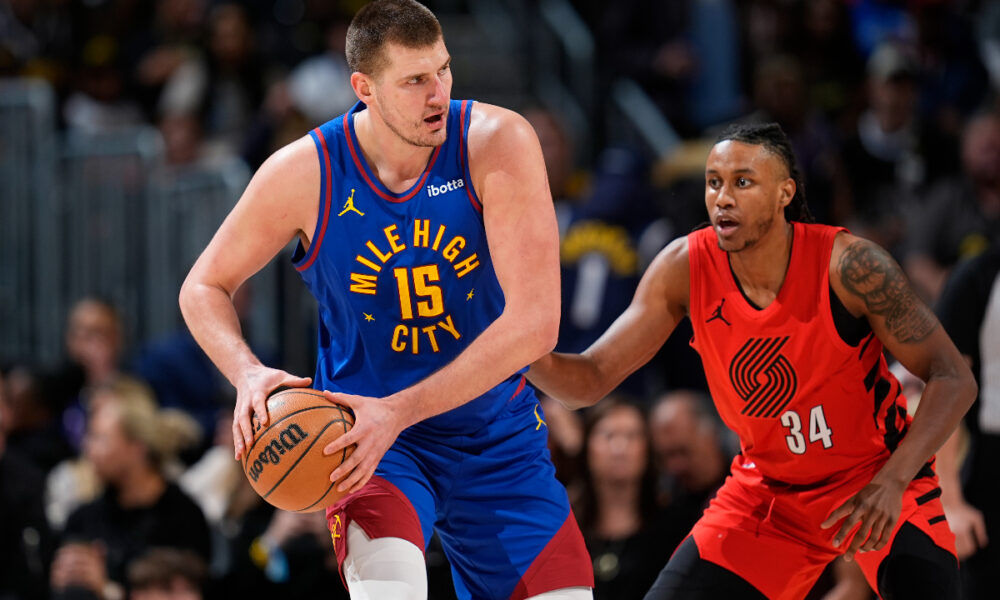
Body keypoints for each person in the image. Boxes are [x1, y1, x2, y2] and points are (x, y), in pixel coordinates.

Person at [177, 2, 593, 599]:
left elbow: (536, 326)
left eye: (444, 70)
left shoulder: (497, 142)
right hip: (369, 445)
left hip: (494, 436)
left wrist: (398, 409)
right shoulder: (305, 171)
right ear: (364, 88)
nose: (438, 95)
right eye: (415, 80)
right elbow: (202, 286)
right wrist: (246, 375)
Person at [528, 122, 977, 599]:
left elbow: (953, 378)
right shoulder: (684, 267)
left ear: (785, 193)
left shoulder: (850, 265)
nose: (722, 197)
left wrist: (893, 480)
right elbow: (590, 380)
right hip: (768, 494)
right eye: (713, 181)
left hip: (875, 478)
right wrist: (514, 346)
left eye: (743, 182)